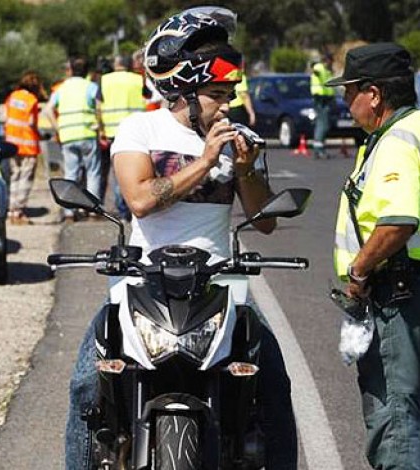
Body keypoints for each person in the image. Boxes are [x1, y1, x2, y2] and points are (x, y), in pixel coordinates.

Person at [65, 7, 298, 470]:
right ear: (184, 93)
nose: (226, 106)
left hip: (219, 284)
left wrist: (246, 169)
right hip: (141, 283)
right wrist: (207, 161)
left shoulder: (237, 139)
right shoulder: (141, 129)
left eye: (229, 94)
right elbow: (139, 200)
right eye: (217, 95)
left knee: (274, 384)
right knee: (86, 386)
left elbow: (264, 221)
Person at [326, 43, 420, 470]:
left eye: (349, 91)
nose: (345, 102)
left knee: (397, 419)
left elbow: (398, 222)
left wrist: (358, 272)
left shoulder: (397, 141)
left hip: (403, 296)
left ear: (373, 94)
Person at [44, 57, 101, 220]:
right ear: (86, 72)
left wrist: (58, 129)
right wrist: (98, 124)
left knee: (71, 174)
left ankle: (69, 211)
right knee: (92, 173)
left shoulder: (61, 88)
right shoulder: (91, 86)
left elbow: (47, 110)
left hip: (67, 136)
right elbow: (98, 107)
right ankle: (92, 210)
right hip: (87, 134)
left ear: (70, 70)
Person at [97, 55, 145, 220]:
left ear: (115, 65)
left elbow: (98, 106)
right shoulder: (137, 79)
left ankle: (123, 209)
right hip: (136, 131)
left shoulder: (105, 80)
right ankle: (132, 208)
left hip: (112, 132)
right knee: (136, 171)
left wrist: (101, 130)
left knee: (118, 173)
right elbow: (148, 98)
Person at [3, 71, 45, 225]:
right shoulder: (31, 100)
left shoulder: (12, 96)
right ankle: (19, 211)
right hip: (27, 145)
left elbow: (6, 116)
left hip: (11, 144)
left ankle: (11, 210)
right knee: (25, 178)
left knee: (14, 176)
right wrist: (40, 135)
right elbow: (32, 123)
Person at [310, 54, 335, 159]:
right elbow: (314, 70)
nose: (332, 64)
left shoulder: (327, 70)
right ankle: (319, 150)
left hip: (326, 99)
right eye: (331, 61)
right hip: (320, 99)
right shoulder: (319, 67)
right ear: (327, 60)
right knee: (322, 124)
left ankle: (319, 148)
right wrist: (314, 69)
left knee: (323, 124)